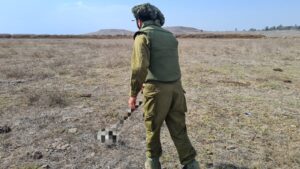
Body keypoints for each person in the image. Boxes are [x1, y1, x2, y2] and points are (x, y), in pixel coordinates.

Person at [128, 3, 200, 169]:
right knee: (179, 129)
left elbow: (139, 68)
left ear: (139, 21)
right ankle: (191, 164)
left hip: (156, 92)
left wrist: (133, 94)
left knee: (152, 129)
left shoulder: (142, 36)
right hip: (177, 90)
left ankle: (152, 163)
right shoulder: (170, 36)